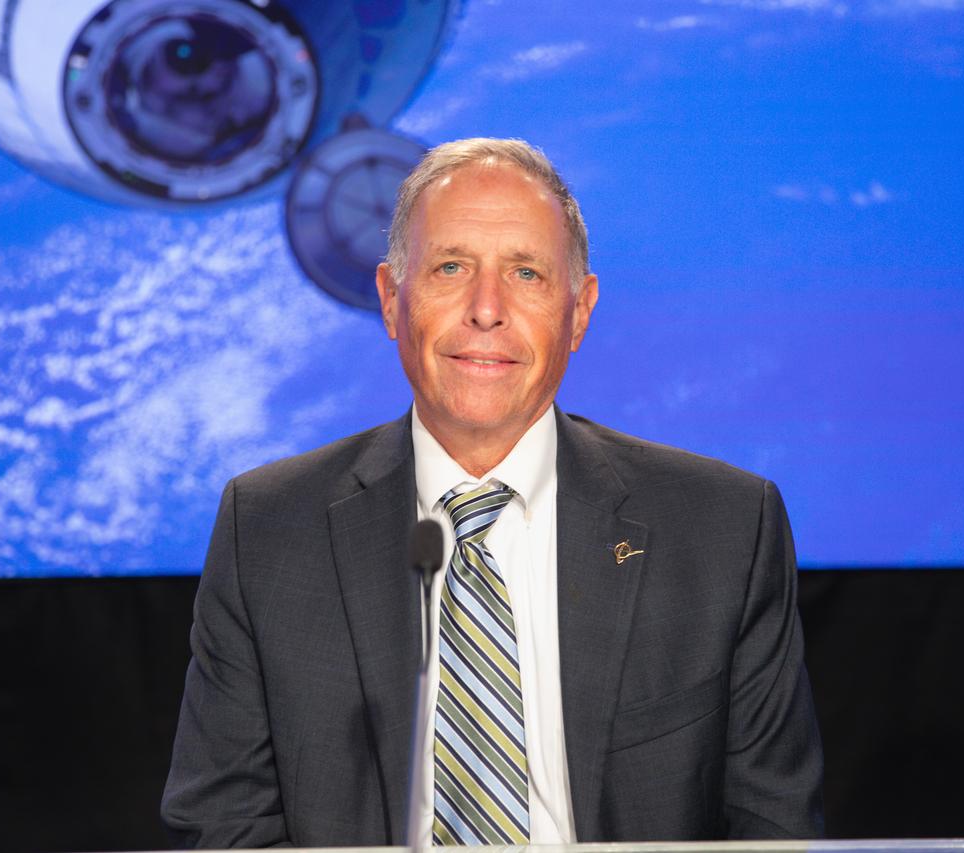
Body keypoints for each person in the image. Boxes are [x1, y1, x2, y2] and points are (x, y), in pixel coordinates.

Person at [161, 138, 824, 847]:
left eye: (527, 274)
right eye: (451, 267)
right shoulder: (266, 530)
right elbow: (221, 831)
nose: (487, 310)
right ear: (391, 301)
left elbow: (773, 831)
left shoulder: (723, 530)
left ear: (579, 312)